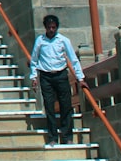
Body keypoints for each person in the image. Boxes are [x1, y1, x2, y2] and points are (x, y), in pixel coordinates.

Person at [29, 14, 88, 145]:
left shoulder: (63, 40)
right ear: (45, 27)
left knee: (65, 105)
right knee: (49, 106)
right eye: (49, 27)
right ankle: (52, 137)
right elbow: (34, 60)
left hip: (61, 75)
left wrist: (80, 78)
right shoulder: (40, 41)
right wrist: (33, 77)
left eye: (53, 27)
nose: (51, 30)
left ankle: (67, 137)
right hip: (45, 76)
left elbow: (73, 59)